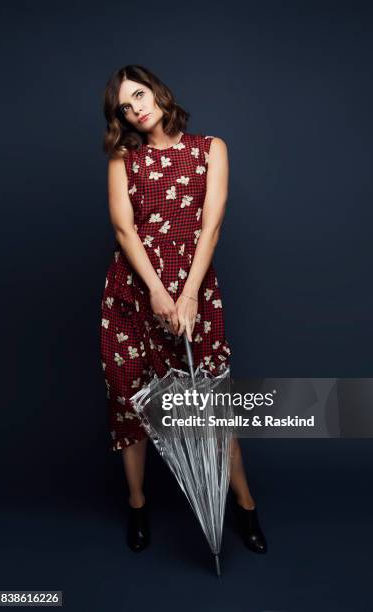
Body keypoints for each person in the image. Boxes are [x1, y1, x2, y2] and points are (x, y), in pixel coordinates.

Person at [100, 64, 267, 555]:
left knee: (211, 406)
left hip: (195, 291)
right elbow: (125, 231)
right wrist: (154, 290)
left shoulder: (210, 149)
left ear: (157, 90)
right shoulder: (122, 159)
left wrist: (188, 293)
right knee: (130, 404)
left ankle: (244, 504)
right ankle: (136, 503)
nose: (136, 109)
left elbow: (211, 226)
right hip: (132, 297)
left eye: (139, 95)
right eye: (125, 107)